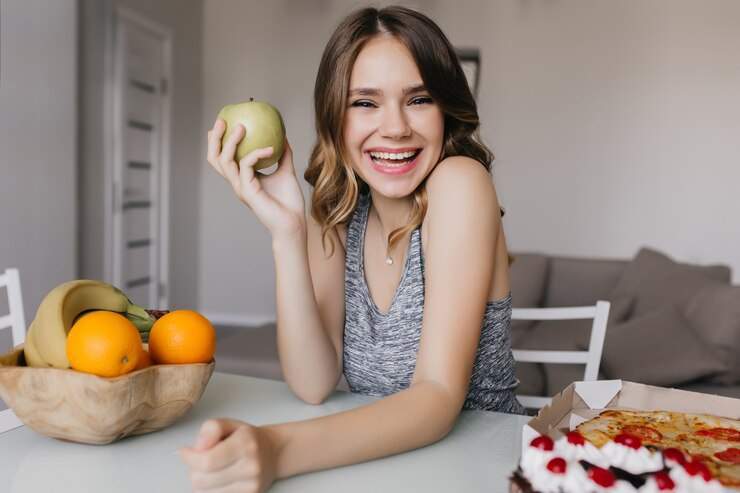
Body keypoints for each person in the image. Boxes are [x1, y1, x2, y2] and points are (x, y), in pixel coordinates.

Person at [181, 5, 525, 492]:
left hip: (482, 470)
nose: (396, 127)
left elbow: (438, 396)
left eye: (419, 99)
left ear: (445, 109)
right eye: (365, 102)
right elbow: (313, 380)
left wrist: (279, 449)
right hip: (384, 469)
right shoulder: (340, 209)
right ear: (334, 117)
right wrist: (286, 231)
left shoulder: (461, 183)